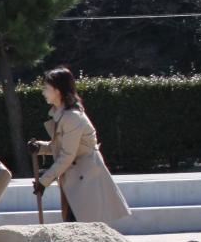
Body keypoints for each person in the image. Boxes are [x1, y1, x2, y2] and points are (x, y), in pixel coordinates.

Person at [28, 67, 130, 223]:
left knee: (83, 226)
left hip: (86, 178)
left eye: (46, 88)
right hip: (77, 178)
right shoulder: (62, 114)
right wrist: (40, 147)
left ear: (57, 90)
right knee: (75, 225)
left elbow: (68, 155)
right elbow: (63, 147)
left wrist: (44, 181)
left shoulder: (71, 117)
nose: (43, 92)